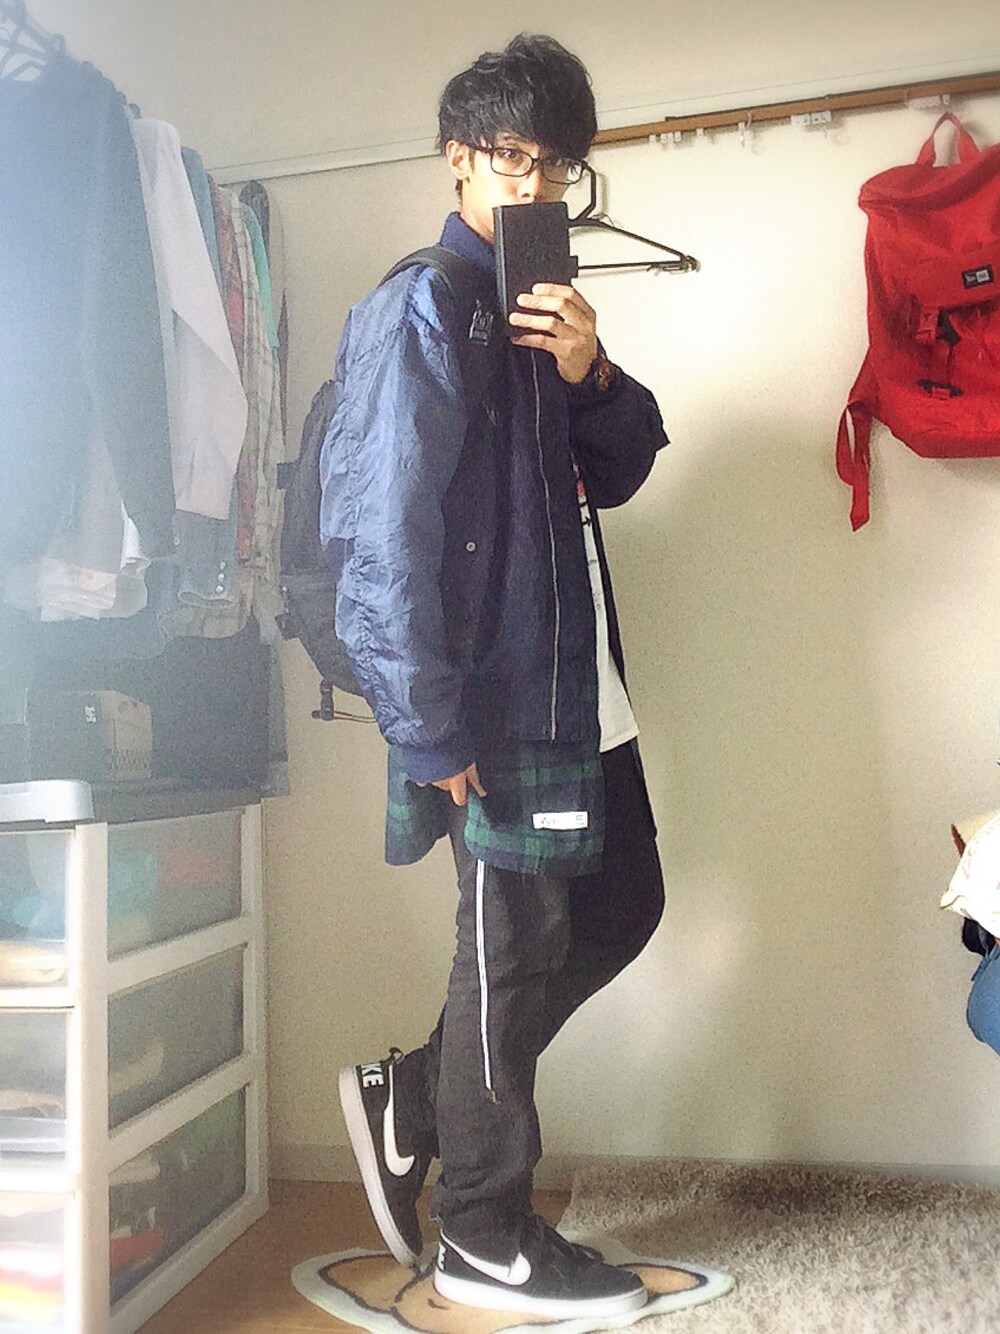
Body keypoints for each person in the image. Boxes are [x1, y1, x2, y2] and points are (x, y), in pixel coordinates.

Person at [321, 33, 667, 1321]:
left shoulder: (544, 310)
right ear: (457, 159)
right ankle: (480, 1233)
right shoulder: (419, 309)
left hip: (578, 681)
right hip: (493, 693)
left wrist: (591, 370)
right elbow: (379, 535)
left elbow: (622, 469)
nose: (534, 186)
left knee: (623, 906)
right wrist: (427, 725)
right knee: (509, 954)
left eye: (557, 166)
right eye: (513, 158)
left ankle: (419, 1094)